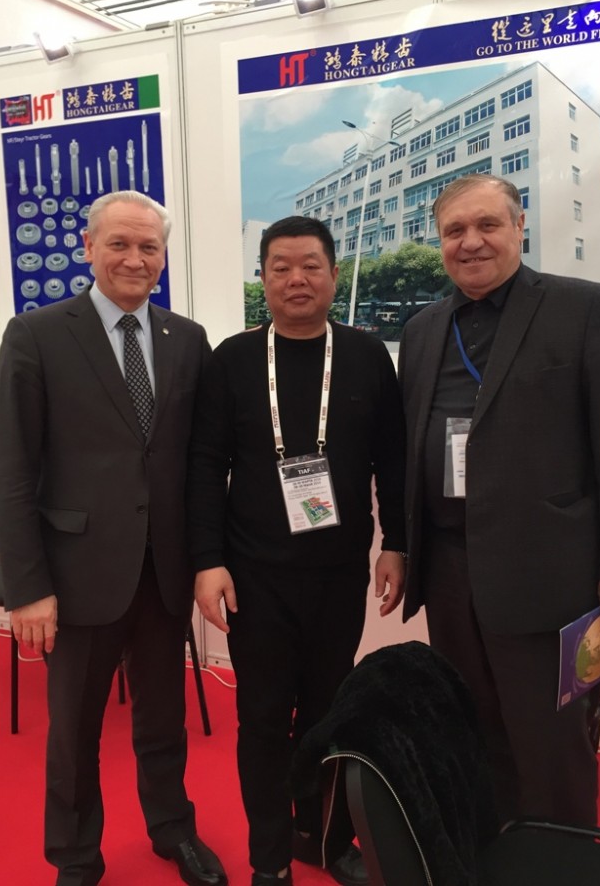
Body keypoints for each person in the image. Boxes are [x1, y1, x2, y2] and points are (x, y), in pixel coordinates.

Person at [398, 173, 600, 827]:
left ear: (519, 227)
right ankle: (494, 851)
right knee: (472, 728)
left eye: (488, 224)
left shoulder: (583, 308)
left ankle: (560, 858)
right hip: (450, 572)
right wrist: (400, 546)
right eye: (455, 230)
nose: (471, 242)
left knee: (552, 744)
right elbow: (409, 447)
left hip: (548, 572)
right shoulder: (423, 329)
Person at [0, 190, 226, 886]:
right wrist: (28, 587)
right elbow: (9, 472)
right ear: (89, 247)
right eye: (119, 243)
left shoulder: (187, 339)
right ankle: (75, 855)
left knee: (164, 719)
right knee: (76, 730)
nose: (134, 258)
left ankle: (172, 829)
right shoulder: (36, 335)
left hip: (164, 570)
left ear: (163, 257)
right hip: (76, 572)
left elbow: (197, 463)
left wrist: (205, 559)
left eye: (149, 247)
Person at [187, 216, 407, 886]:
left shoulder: (366, 355)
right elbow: (205, 465)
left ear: (334, 274)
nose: (296, 279)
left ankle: (323, 837)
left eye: (310, 265)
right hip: (254, 576)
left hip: (339, 573)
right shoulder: (233, 359)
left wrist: (396, 543)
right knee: (261, 720)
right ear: (262, 278)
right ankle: (271, 857)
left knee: (328, 713)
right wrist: (207, 560)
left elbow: (392, 461)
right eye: (280, 267)